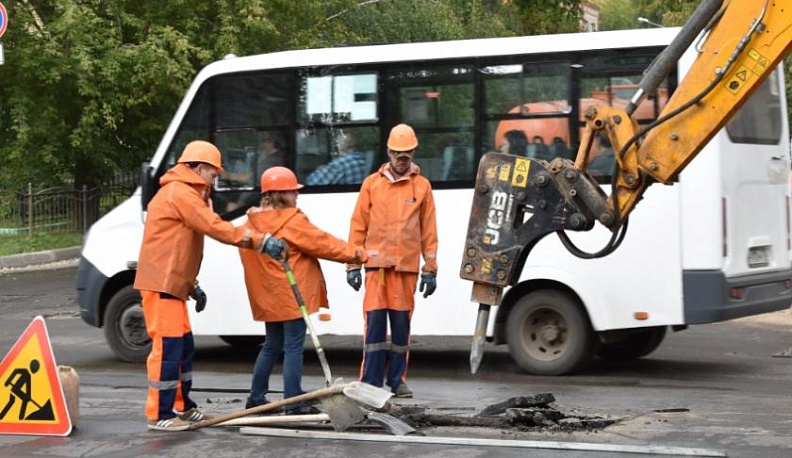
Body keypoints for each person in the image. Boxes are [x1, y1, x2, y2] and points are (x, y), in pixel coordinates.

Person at [134, 140, 284, 431]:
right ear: (199, 168)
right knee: (168, 349)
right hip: (161, 283)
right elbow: (214, 227)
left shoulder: (185, 193)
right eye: (213, 174)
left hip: (172, 283)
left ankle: (182, 406)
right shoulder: (181, 193)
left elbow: (177, 247)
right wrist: (260, 240)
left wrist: (192, 284)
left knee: (182, 347)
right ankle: (160, 414)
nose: (215, 179)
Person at [239, 166, 368, 414]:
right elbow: (323, 243)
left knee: (271, 345)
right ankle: (293, 403)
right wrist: (358, 254)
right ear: (279, 193)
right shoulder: (290, 221)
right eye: (292, 191)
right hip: (292, 295)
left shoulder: (250, 223)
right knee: (294, 347)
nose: (297, 195)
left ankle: (256, 397)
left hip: (268, 297)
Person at [346, 123, 439, 399]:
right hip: (376, 268)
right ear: (388, 152)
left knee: (401, 328)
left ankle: (397, 380)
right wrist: (353, 264)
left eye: (407, 155)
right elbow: (358, 226)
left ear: (413, 153)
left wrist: (430, 268)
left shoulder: (422, 187)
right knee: (374, 328)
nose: (402, 160)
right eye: (398, 154)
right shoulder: (371, 185)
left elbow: (429, 231)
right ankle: (371, 382)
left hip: (405, 269)